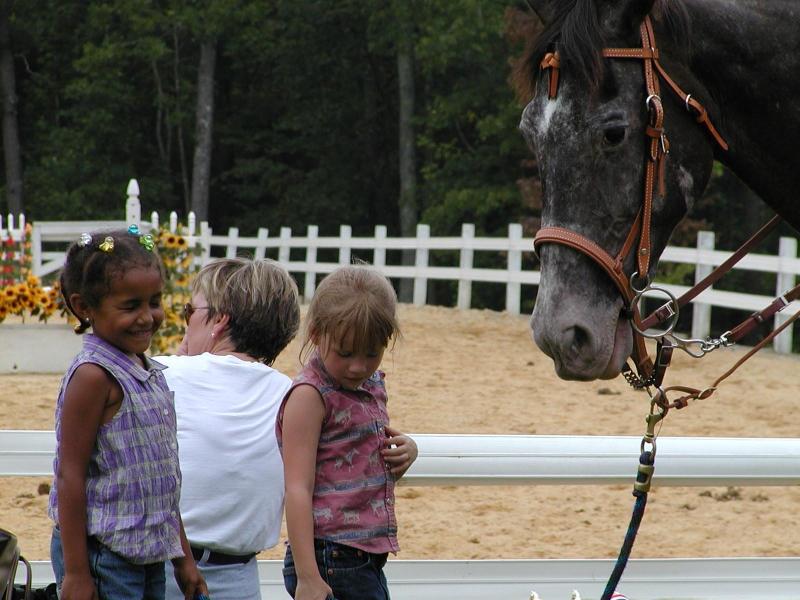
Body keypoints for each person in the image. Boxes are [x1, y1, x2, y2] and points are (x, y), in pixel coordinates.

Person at [48, 226, 207, 600]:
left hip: (148, 553)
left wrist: (183, 559)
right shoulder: (93, 376)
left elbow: (161, 481)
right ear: (84, 307)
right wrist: (76, 573)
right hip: (103, 557)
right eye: (130, 306)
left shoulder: (148, 372)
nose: (148, 317)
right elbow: (69, 476)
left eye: (155, 301)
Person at [154, 257, 301, 600]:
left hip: (160, 568)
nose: (186, 324)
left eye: (189, 312)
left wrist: (180, 357)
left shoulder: (161, 375)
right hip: (240, 573)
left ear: (219, 321)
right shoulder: (292, 394)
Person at [277, 264, 418, 600]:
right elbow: (297, 488)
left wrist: (408, 449)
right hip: (330, 558)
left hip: (362, 556)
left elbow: (358, 455)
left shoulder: (369, 383)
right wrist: (308, 576)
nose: (358, 366)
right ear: (316, 334)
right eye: (345, 352)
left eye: (372, 352)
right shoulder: (310, 396)